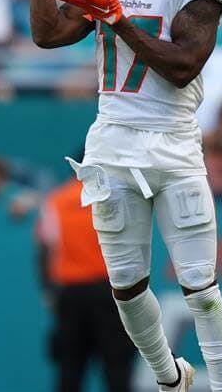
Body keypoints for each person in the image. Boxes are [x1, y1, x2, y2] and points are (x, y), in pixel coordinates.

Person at [28, 0, 222, 392]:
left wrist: (118, 21)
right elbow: (47, 33)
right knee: (125, 288)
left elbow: (184, 66)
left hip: (172, 143)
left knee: (201, 289)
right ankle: (170, 379)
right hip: (111, 142)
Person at [37, 167, 137, 392]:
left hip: (70, 293)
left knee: (70, 369)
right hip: (108, 290)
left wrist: (48, 292)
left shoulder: (57, 199)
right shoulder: (114, 195)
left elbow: (45, 245)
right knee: (117, 368)